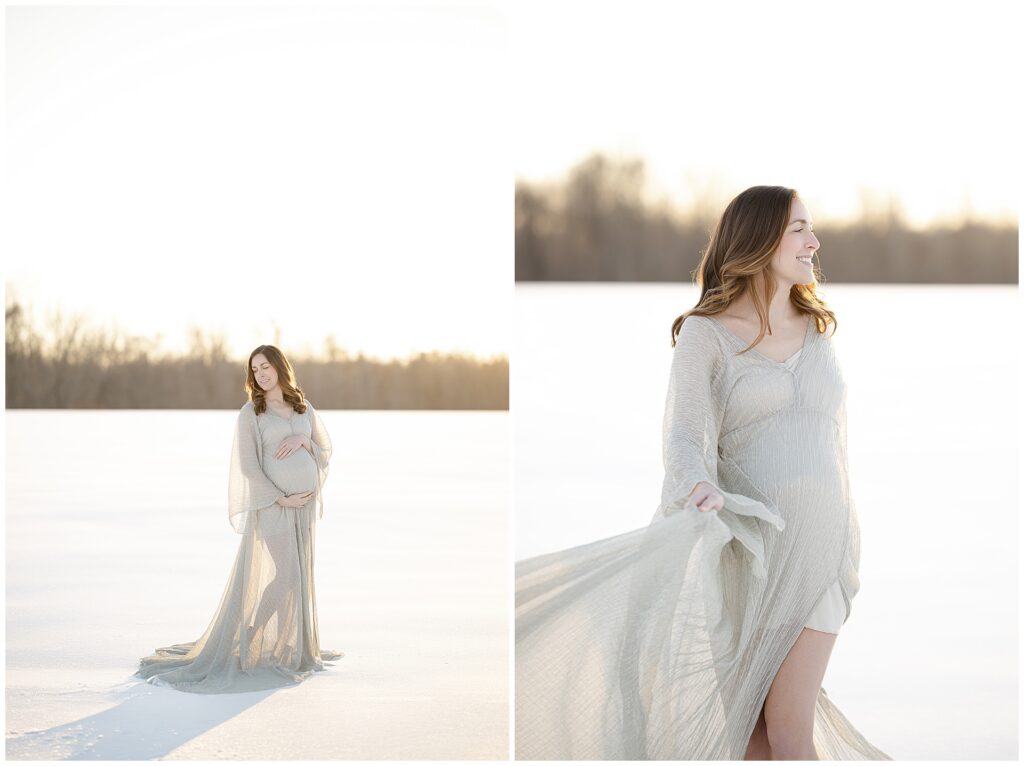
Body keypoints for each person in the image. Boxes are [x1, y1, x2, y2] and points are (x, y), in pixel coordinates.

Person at [515, 186, 890, 760]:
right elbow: (687, 440)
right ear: (758, 238)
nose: (814, 242)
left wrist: (847, 540)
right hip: (744, 556)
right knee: (751, 733)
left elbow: (831, 446)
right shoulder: (705, 333)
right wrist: (697, 486)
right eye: (799, 229)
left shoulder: (816, 328)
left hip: (818, 551)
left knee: (789, 726)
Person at [136, 344, 342, 692]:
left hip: (303, 508)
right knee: (288, 575)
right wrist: (281, 498)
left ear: (279, 367)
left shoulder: (302, 406)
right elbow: (248, 467)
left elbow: (325, 452)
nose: (260, 374)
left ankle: (280, 645)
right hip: (275, 507)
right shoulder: (251, 413)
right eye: (255, 369)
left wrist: (303, 442)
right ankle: (250, 635)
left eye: (265, 367)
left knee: (297, 576)